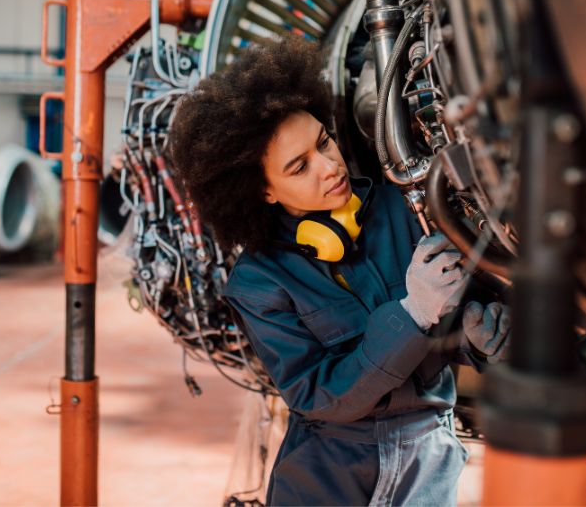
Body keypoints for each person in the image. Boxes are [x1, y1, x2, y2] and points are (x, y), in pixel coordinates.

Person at [169, 36, 510, 506]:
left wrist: (475, 342)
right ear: (265, 191)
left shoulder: (402, 209)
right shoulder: (259, 281)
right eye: (299, 167)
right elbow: (321, 395)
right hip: (330, 470)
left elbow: (445, 335)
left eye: (324, 142)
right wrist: (411, 314)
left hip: (428, 458)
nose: (329, 167)